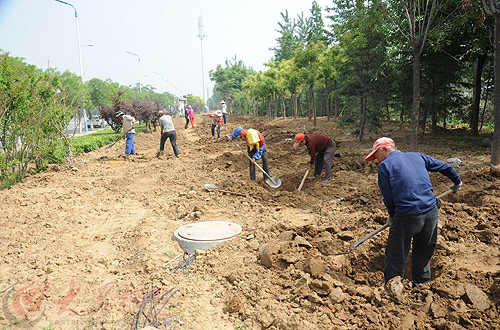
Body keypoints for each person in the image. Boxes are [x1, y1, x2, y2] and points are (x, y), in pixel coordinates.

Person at [364, 137, 462, 288]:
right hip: (431, 213)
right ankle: (422, 287)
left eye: (376, 156)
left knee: (396, 255)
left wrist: (392, 216)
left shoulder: (385, 166)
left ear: (385, 149)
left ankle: (393, 290)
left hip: (407, 216)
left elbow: (388, 198)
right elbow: (445, 167)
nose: (377, 161)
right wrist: (457, 182)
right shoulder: (418, 156)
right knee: (423, 255)